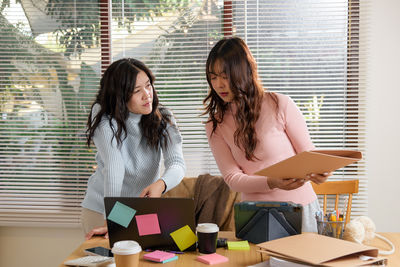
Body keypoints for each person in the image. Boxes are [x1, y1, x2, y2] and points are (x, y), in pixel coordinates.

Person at [203, 37, 330, 232]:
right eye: (213, 77)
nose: (219, 84)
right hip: (255, 214)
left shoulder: (280, 104)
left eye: (225, 76)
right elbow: (232, 178)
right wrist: (271, 182)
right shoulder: (216, 125)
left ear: (242, 72)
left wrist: (320, 171)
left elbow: (308, 154)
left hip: (300, 209)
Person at [81, 58, 186, 239]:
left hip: (139, 208)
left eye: (148, 85)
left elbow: (177, 164)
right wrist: (112, 218)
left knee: (149, 258)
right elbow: (115, 164)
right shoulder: (103, 115)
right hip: (105, 208)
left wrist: (160, 185)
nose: (147, 95)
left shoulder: (164, 117)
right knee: (110, 263)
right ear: (120, 96)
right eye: (137, 91)